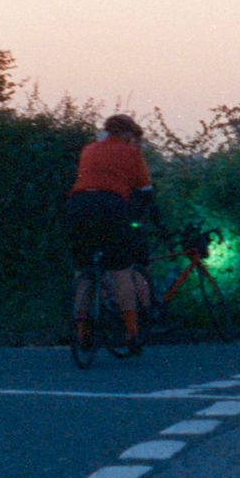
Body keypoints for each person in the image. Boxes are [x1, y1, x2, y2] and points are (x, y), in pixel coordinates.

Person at [64, 114, 161, 354]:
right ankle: (131, 333)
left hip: (77, 205)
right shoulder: (132, 153)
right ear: (128, 134)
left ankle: (81, 331)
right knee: (121, 271)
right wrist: (141, 221)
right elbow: (146, 193)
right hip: (111, 206)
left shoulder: (88, 149)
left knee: (84, 271)